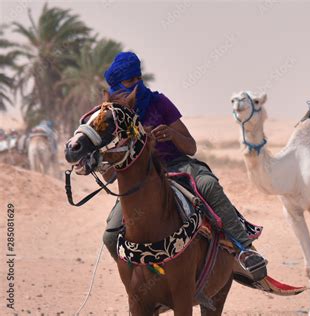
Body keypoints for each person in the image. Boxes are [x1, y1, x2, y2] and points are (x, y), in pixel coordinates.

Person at [101, 52, 266, 275]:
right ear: (116, 86)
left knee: (208, 185)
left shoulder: (159, 102)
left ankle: (246, 250)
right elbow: (108, 173)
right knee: (111, 236)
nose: (137, 84)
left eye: (138, 78)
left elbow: (191, 147)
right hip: (140, 180)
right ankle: (134, 277)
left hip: (176, 166)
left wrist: (170, 134)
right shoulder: (109, 116)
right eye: (130, 81)